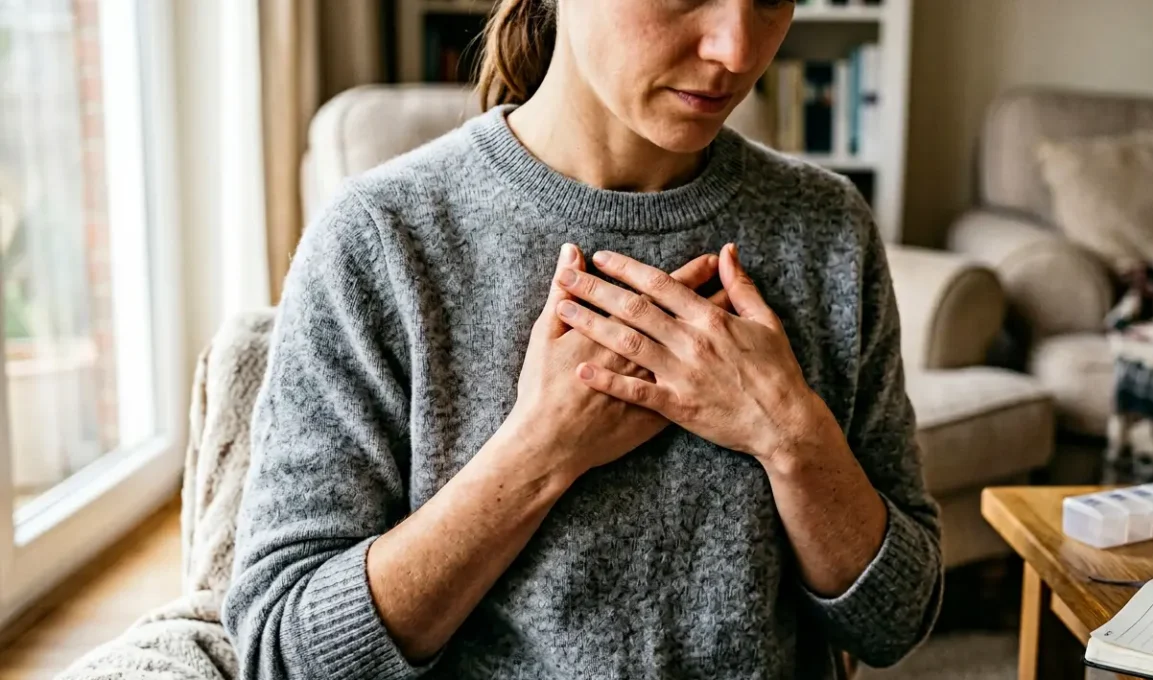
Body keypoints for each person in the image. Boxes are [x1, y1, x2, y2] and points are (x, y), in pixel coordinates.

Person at [222, 0, 943, 677]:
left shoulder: (827, 230)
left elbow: (896, 622)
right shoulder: (381, 240)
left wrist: (790, 436)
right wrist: (537, 452)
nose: (737, 49)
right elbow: (284, 652)